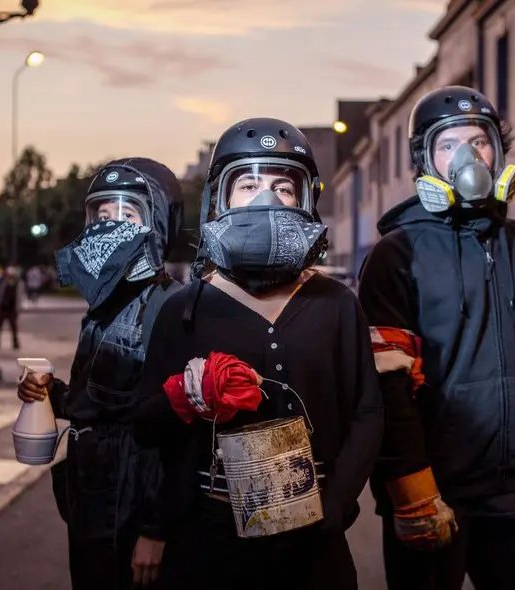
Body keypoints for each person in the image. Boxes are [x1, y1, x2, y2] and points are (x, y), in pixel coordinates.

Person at [132, 118, 383, 590]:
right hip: (210, 535)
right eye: (247, 184)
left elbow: (367, 412)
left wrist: (337, 505)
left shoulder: (337, 303)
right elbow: (145, 427)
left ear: (305, 199)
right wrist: (184, 398)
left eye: (283, 188)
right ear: (219, 200)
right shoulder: (184, 309)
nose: (266, 199)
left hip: (315, 537)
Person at [358, 86, 515, 590]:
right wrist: (411, 489)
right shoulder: (397, 255)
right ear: (426, 159)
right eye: (449, 144)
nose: (467, 156)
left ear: (498, 152)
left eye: (479, 142)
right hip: (431, 492)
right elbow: (385, 390)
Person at [15, 158, 185, 589]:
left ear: (158, 223)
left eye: (127, 216)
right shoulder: (102, 308)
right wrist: (50, 392)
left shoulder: (170, 307)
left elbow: (173, 433)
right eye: (102, 215)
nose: (110, 226)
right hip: (91, 500)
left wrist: (154, 529)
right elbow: (100, 404)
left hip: (131, 511)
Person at [0, 266, 20, 348]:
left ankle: (15, 342)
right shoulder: (1, 281)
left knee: (13, 326)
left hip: (11, 308)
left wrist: (17, 308)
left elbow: (18, 295)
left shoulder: (15, 283)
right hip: (3, 307)